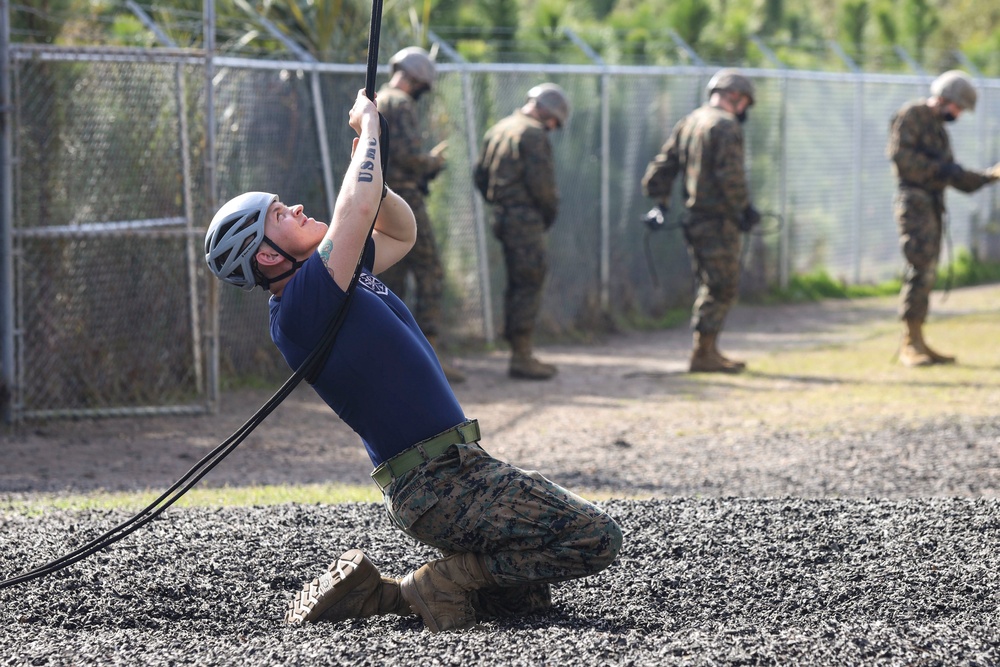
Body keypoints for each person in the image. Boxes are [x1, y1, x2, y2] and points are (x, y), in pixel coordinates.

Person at [204, 89, 622, 633]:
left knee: (523, 602)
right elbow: (353, 208)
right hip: (439, 485)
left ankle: (388, 595)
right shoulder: (300, 304)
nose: (298, 208)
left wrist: (372, 170)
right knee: (596, 538)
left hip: (457, 472)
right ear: (266, 256)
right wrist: (370, 135)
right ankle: (431, 584)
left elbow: (399, 231)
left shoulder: (337, 277)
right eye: (281, 215)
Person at [641, 68, 760, 374]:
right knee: (722, 285)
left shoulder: (690, 122)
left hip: (694, 219)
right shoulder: (725, 126)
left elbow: (663, 166)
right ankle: (703, 352)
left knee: (711, 283)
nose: (745, 109)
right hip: (718, 220)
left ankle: (708, 349)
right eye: (745, 101)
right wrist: (744, 209)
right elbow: (730, 176)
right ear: (735, 96)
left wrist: (661, 203)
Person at [886, 70, 1000, 367]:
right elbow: (901, 158)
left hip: (932, 205)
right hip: (914, 203)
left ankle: (918, 339)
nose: (958, 114)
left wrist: (988, 177)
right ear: (946, 98)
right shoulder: (912, 116)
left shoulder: (938, 130)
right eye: (958, 107)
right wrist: (940, 170)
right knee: (919, 267)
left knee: (927, 272)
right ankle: (910, 343)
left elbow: (955, 175)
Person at [375, 47, 464, 383]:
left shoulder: (377, 100)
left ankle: (391, 356)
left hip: (378, 199)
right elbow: (410, 157)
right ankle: (431, 355)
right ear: (416, 79)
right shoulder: (401, 103)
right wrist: (434, 162)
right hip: (405, 198)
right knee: (430, 270)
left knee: (390, 276)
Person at [473, 83, 569, 380]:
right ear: (548, 111)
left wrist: (497, 201)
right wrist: (548, 213)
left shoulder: (500, 128)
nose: (553, 128)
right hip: (525, 220)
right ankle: (522, 355)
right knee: (529, 282)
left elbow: (480, 175)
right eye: (555, 121)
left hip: (503, 216)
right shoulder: (533, 134)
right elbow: (542, 186)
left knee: (517, 282)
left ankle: (517, 348)